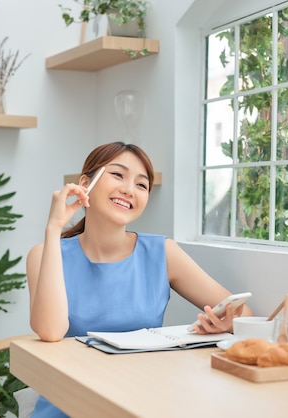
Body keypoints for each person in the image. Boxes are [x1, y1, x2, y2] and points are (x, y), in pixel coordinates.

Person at [26, 141, 253, 417]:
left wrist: (227, 322)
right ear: (85, 183)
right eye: (118, 175)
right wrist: (54, 228)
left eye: (141, 185)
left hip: (141, 403)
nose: (129, 189)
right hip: (69, 406)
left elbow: (243, 311)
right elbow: (50, 331)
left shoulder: (162, 252)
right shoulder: (45, 255)